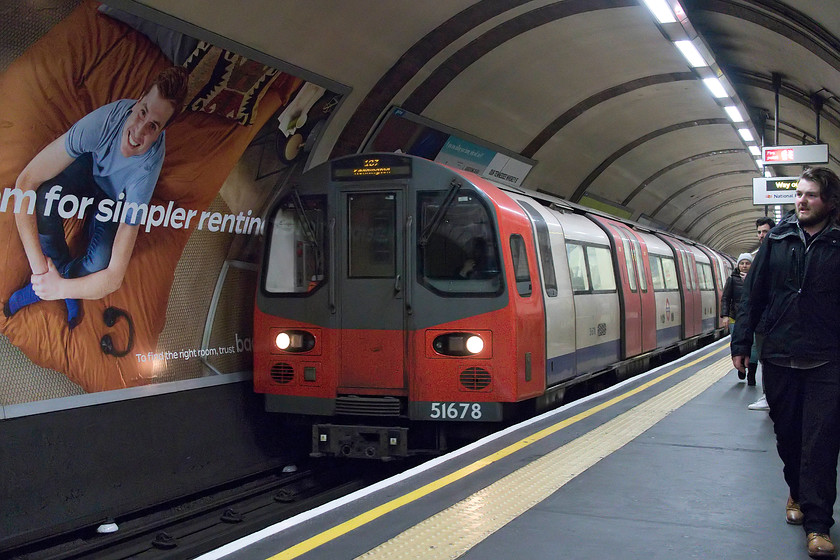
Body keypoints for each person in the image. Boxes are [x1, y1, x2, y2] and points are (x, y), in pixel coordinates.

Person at [4, 66, 189, 327]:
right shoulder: (103, 122)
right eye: (143, 112)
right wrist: (40, 273)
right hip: (88, 166)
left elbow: (113, 277)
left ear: (161, 133)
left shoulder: (145, 174)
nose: (138, 132)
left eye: (153, 126)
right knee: (45, 198)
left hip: (114, 197)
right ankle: (57, 268)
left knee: (100, 262)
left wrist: (57, 289)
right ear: (137, 102)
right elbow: (26, 182)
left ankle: (56, 281)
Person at [732, 167, 840, 558]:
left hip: (828, 358)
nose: (802, 200)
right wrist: (741, 341)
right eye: (799, 194)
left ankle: (818, 524)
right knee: (789, 438)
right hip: (778, 354)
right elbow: (753, 296)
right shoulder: (777, 240)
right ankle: (796, 489)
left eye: (811, 195)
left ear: (829, 202)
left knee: (822, 443)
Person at [747, 216, 776, 410]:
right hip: (762, 321)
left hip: (773, 318)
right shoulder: (758, 255)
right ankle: (768, 395)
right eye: (759, 232)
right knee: (765, 358)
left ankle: (771, 396)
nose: (761, 235)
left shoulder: (778, 252)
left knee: (772, 359)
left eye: (764, 231)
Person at [719, 252, 752, 381]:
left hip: (750, 316)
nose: (744, 266)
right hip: (735, 316)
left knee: (750, 343)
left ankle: (748, 366)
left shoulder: (756, 278)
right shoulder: (732, 280)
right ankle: (740, 366)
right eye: (742, 263)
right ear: (738, 265)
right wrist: (725, 316)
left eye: (747, 263)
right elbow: (726, 298)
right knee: (736, 341)